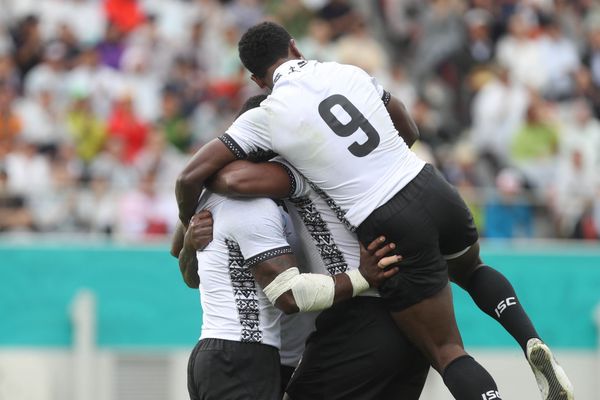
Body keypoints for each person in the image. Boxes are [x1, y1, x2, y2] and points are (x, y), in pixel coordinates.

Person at [175, 22, 573, 400]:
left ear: (257, 80)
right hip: (426, 186)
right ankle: (529, 338)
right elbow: (410, 130)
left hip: (365, 303)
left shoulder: (283, 155)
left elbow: (220, 181)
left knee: (449, 351)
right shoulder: (344, 73)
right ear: (294, 46)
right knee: (469, 277)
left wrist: (200, 203)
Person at [171, 96, 405, 400]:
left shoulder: (228, 198)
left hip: (256, 356)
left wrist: (189, 243)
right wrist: (363, 277)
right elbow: (290, 296)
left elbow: (193, 273)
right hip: (246, 355)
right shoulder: (251, 206)